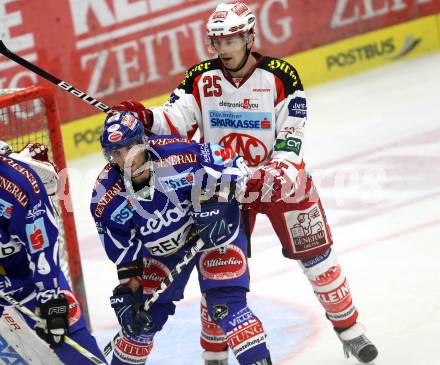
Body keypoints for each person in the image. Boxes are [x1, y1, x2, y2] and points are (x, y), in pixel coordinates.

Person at [110, 2, 379, 364]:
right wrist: (144, 116)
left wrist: (267, 175)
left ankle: (350, 329)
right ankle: (214, 352)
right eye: (216, 42)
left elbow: (290, 139)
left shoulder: (281, 76)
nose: (223, 49)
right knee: (219, 272)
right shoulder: (201, 77)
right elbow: (173, 117)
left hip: (280, 184)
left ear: (250, 36)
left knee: (317, 256)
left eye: (231, 41)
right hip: (223, 188)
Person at [90, 111, 272, 365]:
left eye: (130, 147)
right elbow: (126, 255)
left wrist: (217, 204)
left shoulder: (180, 154)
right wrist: (127, 295)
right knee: (141, 323)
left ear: (143, 142)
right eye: (116, 152)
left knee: (227, 305)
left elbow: (235, 165)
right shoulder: (106, 198)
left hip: (213, 230)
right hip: (162, 251)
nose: (126, 159)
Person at [0, 141, 107, 364]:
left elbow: (42, 246)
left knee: (71, 343)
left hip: (30, 281)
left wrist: (50, 298)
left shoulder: (17, 185)